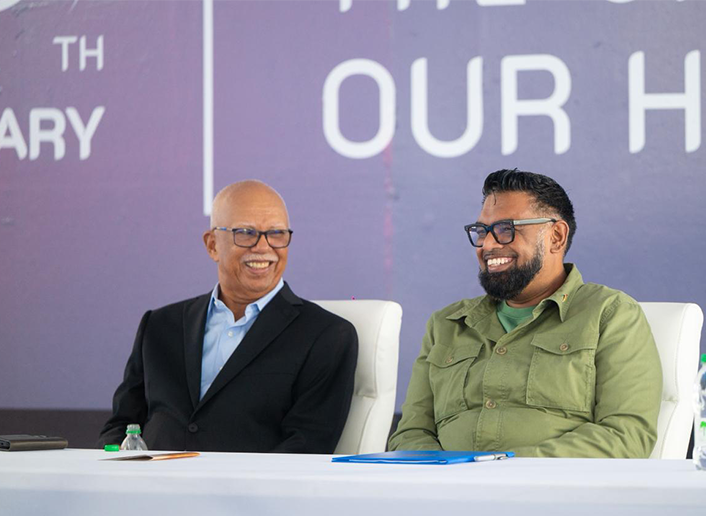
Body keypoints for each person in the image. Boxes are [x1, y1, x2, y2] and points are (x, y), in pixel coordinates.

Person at [389, 169, 662, 457]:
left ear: (556, 236)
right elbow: (411, 434)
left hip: (556, 496)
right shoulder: (447, 324)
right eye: (482, 232)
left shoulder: (610, 315)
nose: (489, 245)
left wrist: (505, 471)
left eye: (506, 229)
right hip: (449, 495)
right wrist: (449, 481)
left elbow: (626, 436)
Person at [99, 180, 358, 453]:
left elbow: (305, 448)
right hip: (147, 488)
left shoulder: (327, 335)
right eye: (246, 233)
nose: (263, 247)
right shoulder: (160, 326)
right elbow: (121, 427)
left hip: (249, 493)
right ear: (212, 245)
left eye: (277, 233)